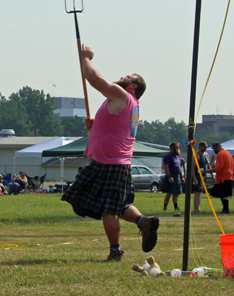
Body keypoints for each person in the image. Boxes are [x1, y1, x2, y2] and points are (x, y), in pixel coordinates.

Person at [62, 44, 159, 263]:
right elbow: (117, 128)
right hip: (116, 161)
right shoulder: (131, 104)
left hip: (110, 162)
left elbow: (94, 78)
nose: (122, 77)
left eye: (128, 77)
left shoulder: (122, 94)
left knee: (108, 208)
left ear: (133, 85)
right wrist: (94, 127)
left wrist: (85, 58)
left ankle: (115, 252)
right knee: (117, 205)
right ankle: (143, 221)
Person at [209, 142, 234, 214]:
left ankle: (226, 210)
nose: (214, 150)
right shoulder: (228, 153)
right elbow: (233, 165)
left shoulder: (220, 154)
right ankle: (225, 209)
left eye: (214, 149)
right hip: (229, 176)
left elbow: (218, 167)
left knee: (223, 194)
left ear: (217, 148)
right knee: (225, 194)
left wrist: (207, 171)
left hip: (223, 177)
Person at [161, 142, 185, 212]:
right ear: (172, 147)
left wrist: (182, 177)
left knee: (176, 193)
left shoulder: (177, 156)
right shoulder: (168, 156)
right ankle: (165, 207)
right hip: (171, 176)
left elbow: (179, 167)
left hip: (177, 176)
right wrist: (169, 176)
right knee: (169, 193)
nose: (177, 148)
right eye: (176, 147)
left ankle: (176, 207)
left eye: (178, 147)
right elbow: (166, 166)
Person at [191, 141, 210, 212]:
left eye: (206, 147)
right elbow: (192, 167)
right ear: (200, 147)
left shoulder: (206, 155)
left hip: (204, 175)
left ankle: (198, 207)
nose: (205, 148)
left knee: (200, 192)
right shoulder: (196, 155)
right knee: (197, 192)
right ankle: (196, 208)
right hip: (197, 175)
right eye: (204, 147)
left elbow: (208, 165)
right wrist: (195, 178)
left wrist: (212, 174)